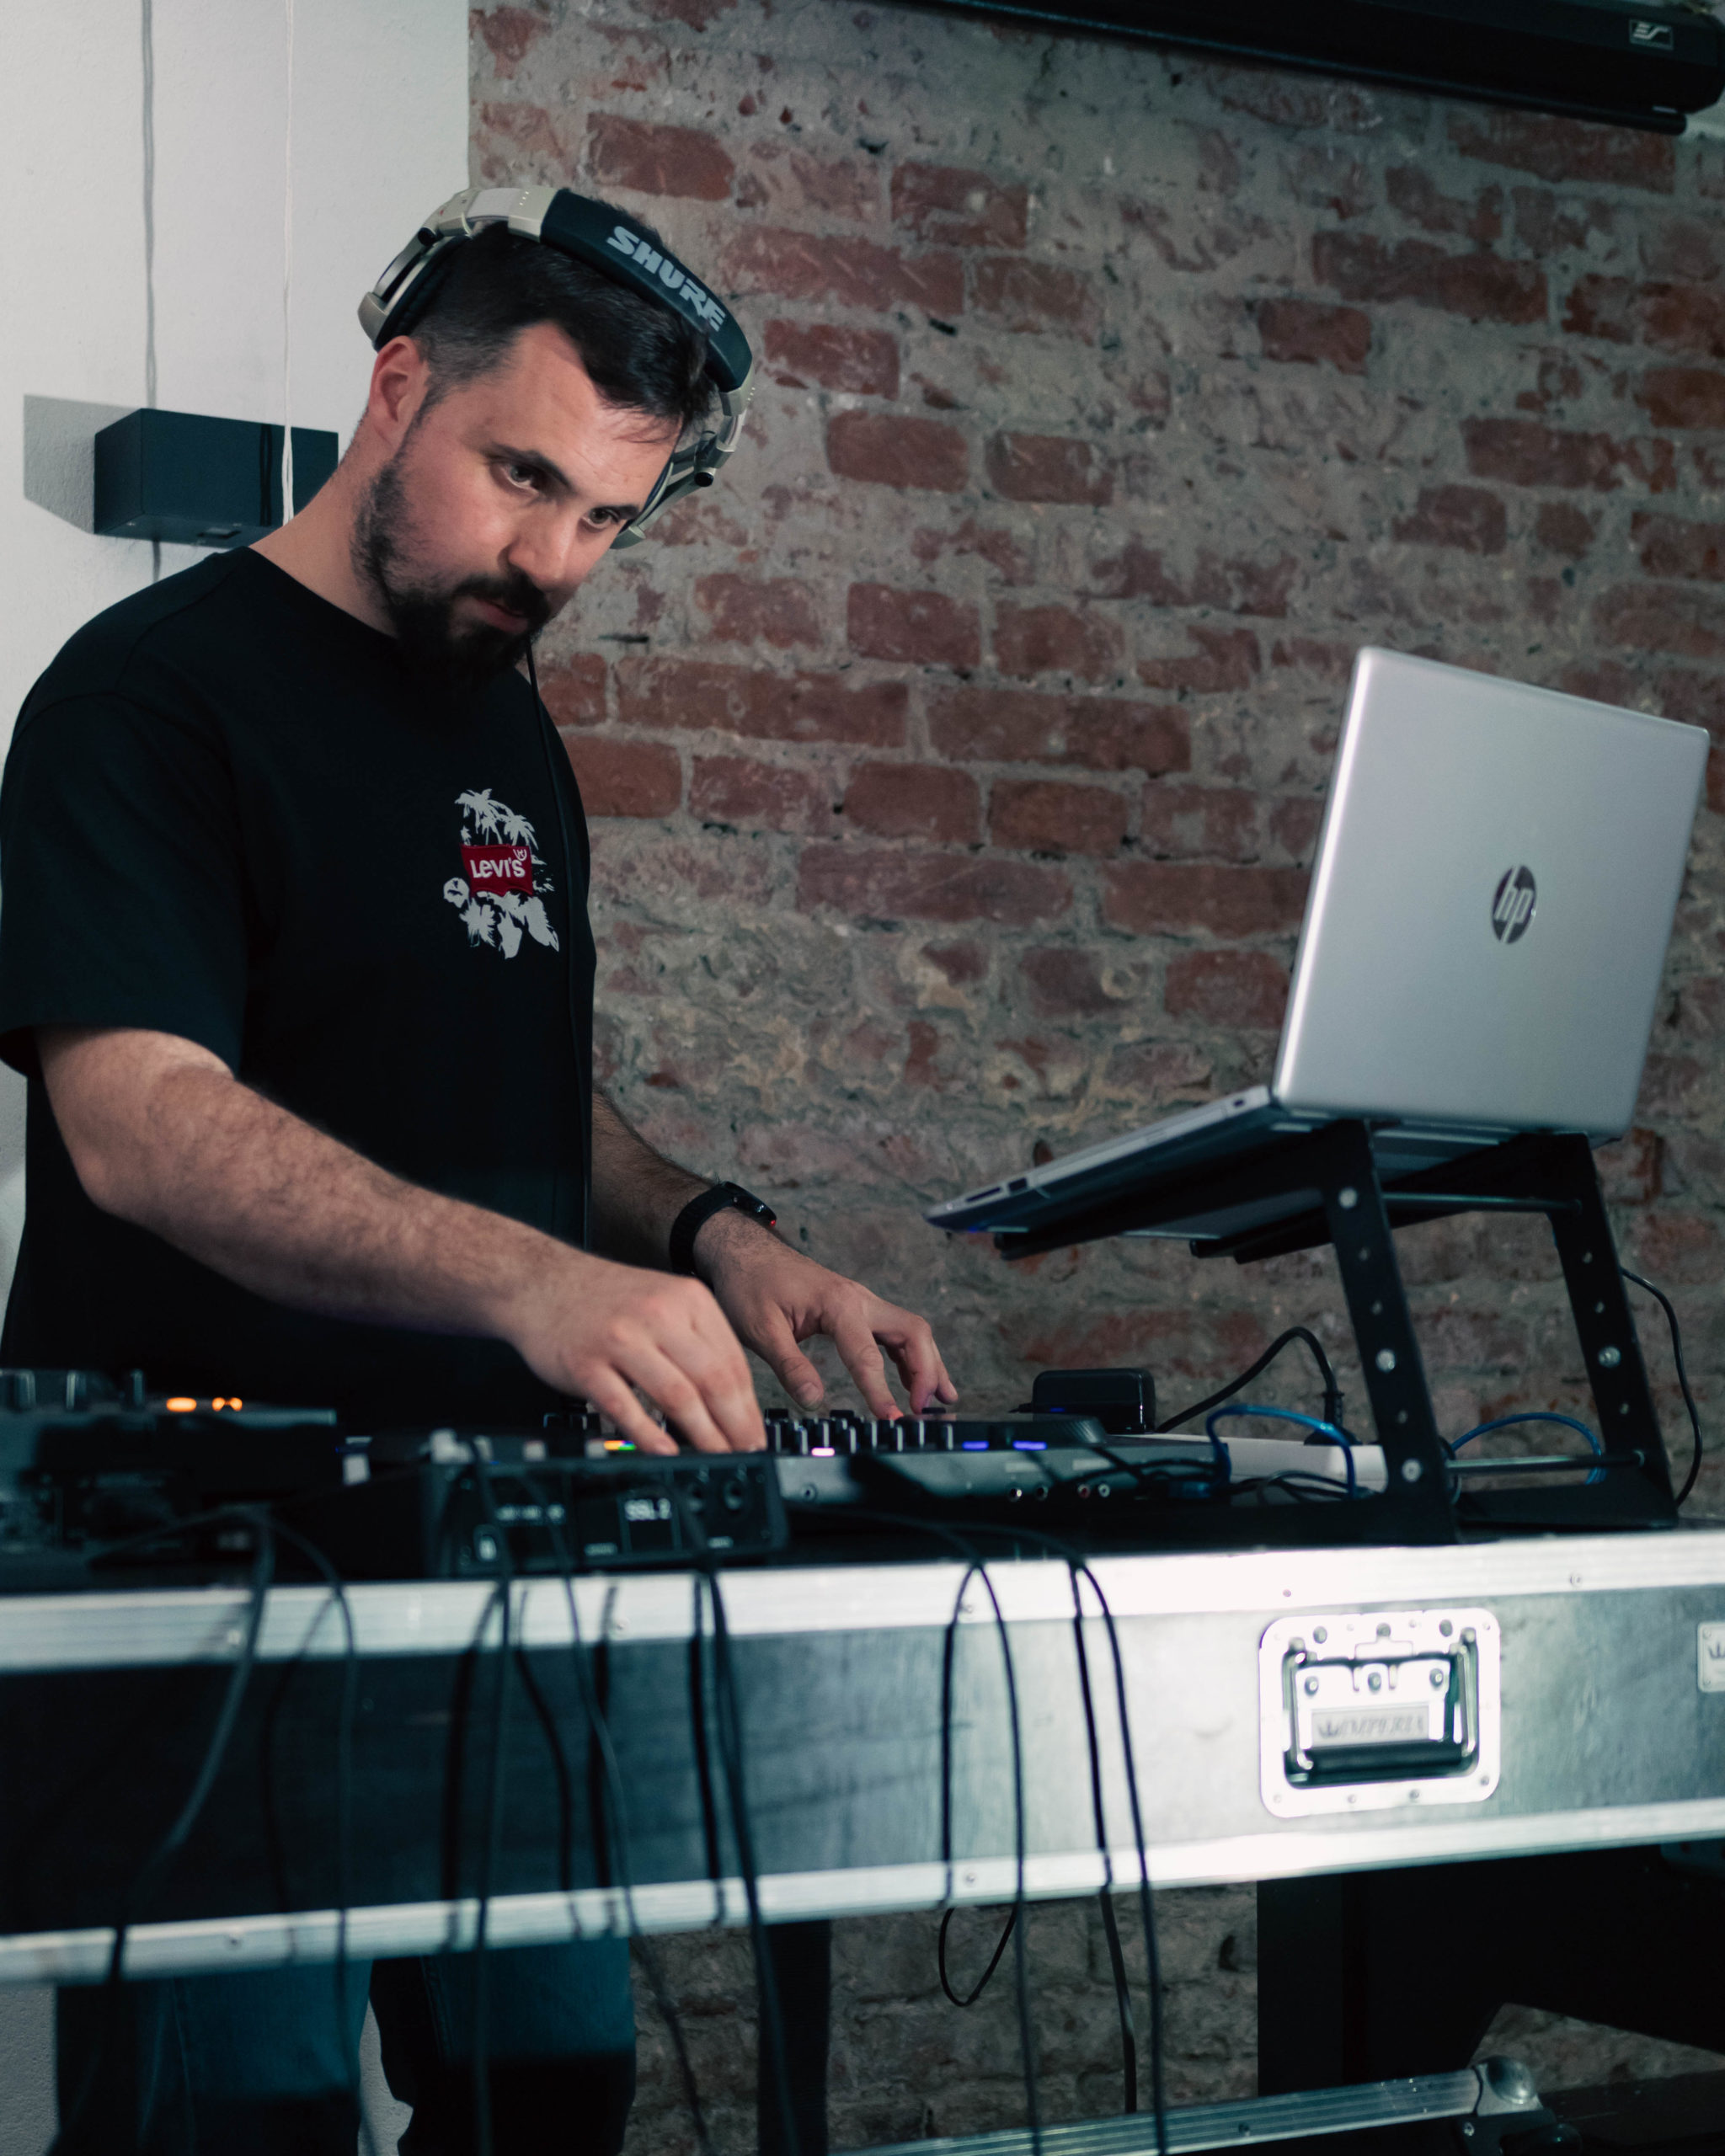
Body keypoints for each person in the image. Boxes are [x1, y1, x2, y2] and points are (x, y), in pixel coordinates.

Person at [0, 190, 956, 2153]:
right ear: (394, 389)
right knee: (238, 2117)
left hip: (503, 1553)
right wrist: (532, 1281)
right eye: (522, 477)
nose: (551, 559)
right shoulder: (142, 698)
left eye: (605, 517)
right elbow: (141, 1117)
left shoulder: (503, 726)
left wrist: (712, 1235)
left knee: (556, 2089)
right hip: (208, 1579)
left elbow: (517, 1092)